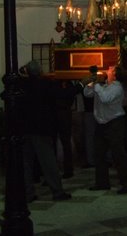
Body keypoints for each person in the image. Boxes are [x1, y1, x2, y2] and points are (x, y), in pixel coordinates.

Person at [20, 60, 81, 203]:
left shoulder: (21, 85)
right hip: (41, 129)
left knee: (26, 164)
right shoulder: (45, 84)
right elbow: (64, 94)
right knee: (48, 162)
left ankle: (28, 193)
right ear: (41, 72)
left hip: (24, 128)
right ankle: (57, 192)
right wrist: (81, 84)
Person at [83, 65, 127, 194]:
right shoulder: (103, 85)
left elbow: (105, 99)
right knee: (99, 154)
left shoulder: (117, 87)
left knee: (118, 154)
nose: (106, 71)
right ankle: (102, 183)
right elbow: (87, 93)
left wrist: (96, 85)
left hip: (114, 123)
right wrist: (92, 82)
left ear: (115, 74)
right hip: (101, 123)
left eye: (110, 70)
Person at [52, 79, 76, 178]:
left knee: (63, 143)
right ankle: (66, 169)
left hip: (60, 113)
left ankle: (66, 169)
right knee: (64, 143)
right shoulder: (66, 84)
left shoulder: (56, 83)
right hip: (62, 113)